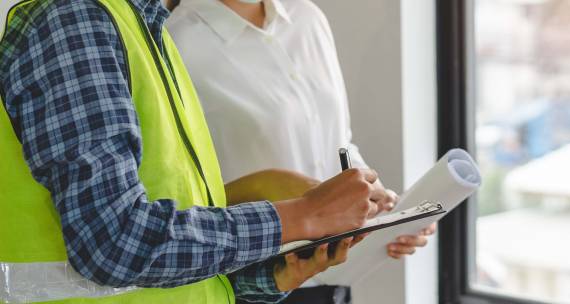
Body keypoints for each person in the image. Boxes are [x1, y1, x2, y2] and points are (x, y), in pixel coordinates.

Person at [0, 1, 382, 303]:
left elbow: (174, 253)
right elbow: (113, 243)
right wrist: (303, 216)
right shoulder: (73, 22)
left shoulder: (148, 30)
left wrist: (274, 275)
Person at [165, 0, 436, 302]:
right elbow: (183, 188)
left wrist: (382, 208)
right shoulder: (177, 39)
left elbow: (339, 141)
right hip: (257, 281)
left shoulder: (307, 17)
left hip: (335, 273)